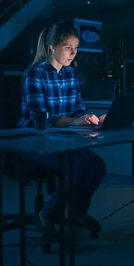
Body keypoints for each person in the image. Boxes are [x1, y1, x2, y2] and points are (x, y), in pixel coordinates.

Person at [18, 22, 106, 236]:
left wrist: (89, 118)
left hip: (63, 142)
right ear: (52, 48)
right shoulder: (34, 73)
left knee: (96, 165)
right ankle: (46, 214)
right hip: (34, 142)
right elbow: (40, 116)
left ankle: (76, 212)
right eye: (68, 47)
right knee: (77, 166)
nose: (73, 53)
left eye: (76, 48)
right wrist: (75, 122)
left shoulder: (70, 75)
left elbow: (77, 109)